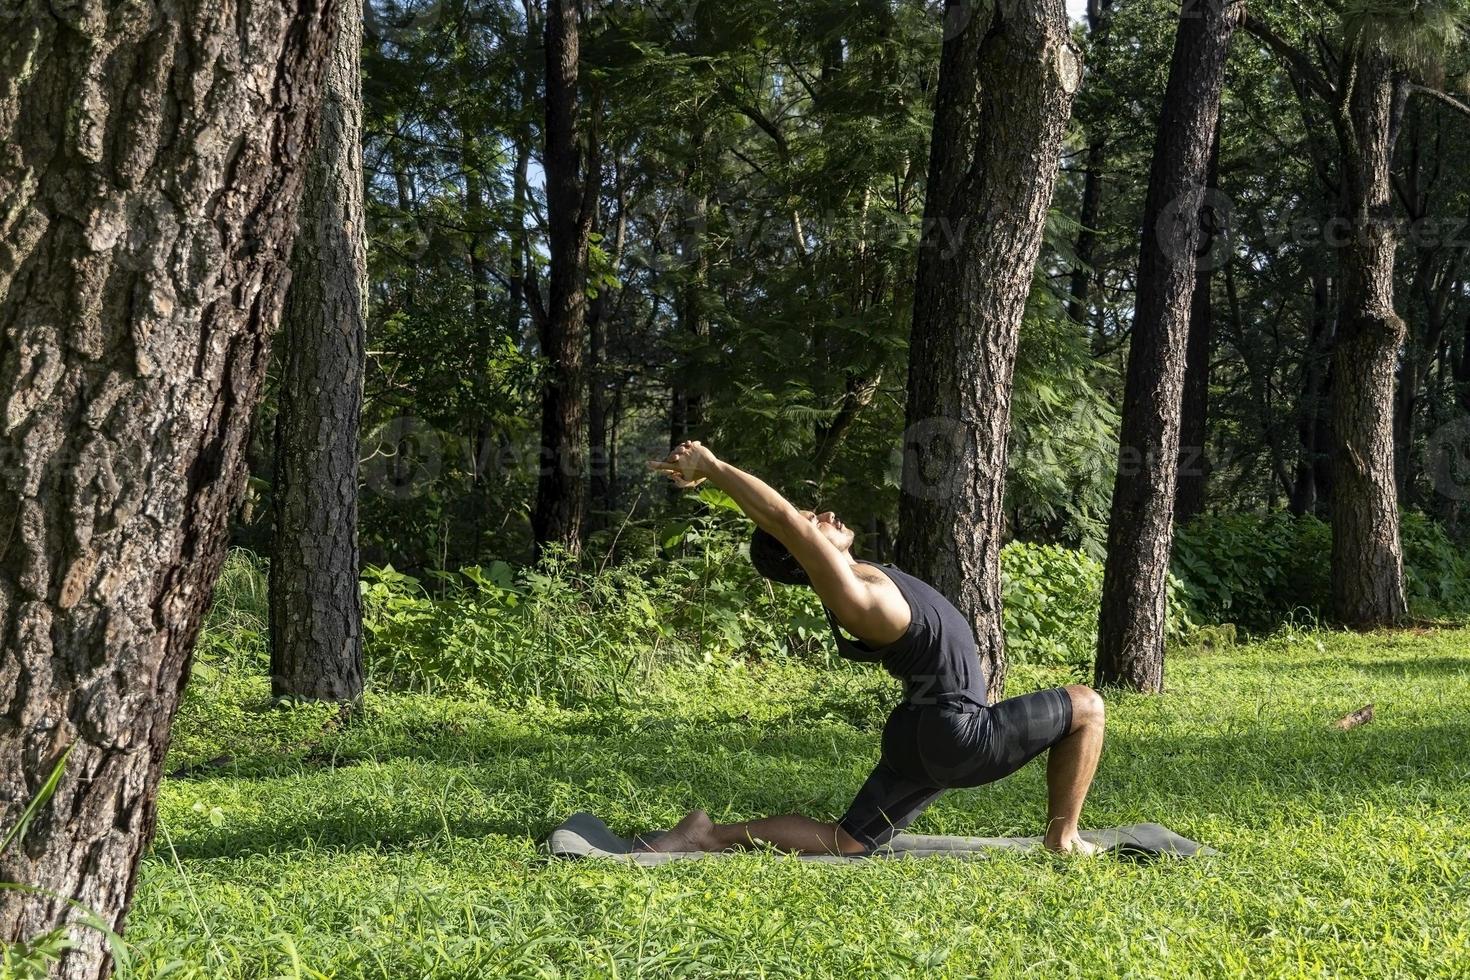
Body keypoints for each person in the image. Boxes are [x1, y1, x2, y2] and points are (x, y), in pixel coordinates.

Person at [642, 440, 1105, 857]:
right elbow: (781, 519)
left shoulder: (864, 574)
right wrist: (712, 467)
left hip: (918, 732)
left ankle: (708, 834)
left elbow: (789, 523)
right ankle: (1063, 840)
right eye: (812, 523)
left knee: (848, 840)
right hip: (955, 733)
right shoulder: (853, 599)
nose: (822, 515)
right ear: (801, 551)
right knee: (1087, 706)